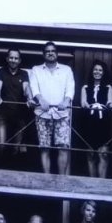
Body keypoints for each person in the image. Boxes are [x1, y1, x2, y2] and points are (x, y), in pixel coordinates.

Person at [29, 42, 76, 175]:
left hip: (62, 114)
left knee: (63, 147)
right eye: (47, 51)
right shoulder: (36, 69)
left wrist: (66, 100)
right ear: (43, 54)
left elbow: (70, 87)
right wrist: (40, 99)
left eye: (53, 51)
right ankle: (46, 181)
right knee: (44, 148)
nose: (50, 53)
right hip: (42, 113)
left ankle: (61, 182)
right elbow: (34, 87)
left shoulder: (66, 70)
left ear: (57, 53)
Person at [0, 49, 32, 164]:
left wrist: (30, 97)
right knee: (2, 144)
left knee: (16, 147)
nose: (13, 60)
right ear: (7, 59)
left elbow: (26, 88)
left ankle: (12, 171)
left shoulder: (24, 73)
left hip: (19, 115)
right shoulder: (1, 71)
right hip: (2, 114)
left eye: (16, 58)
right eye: (11, 58)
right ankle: (0, 169)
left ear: (19, 60)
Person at [78, 61, 112, 178]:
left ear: (103, 73)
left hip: (103, 123)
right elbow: (83, 102)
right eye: (95, 70)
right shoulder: (85, 87)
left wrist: (108, 104)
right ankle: (92, 183)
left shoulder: (108, 87)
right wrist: (85, 104)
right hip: (89, 122)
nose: (97, 72)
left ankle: (102, 183)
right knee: (90, 154)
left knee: (103, 154)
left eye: (100, 70)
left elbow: (110, 103)